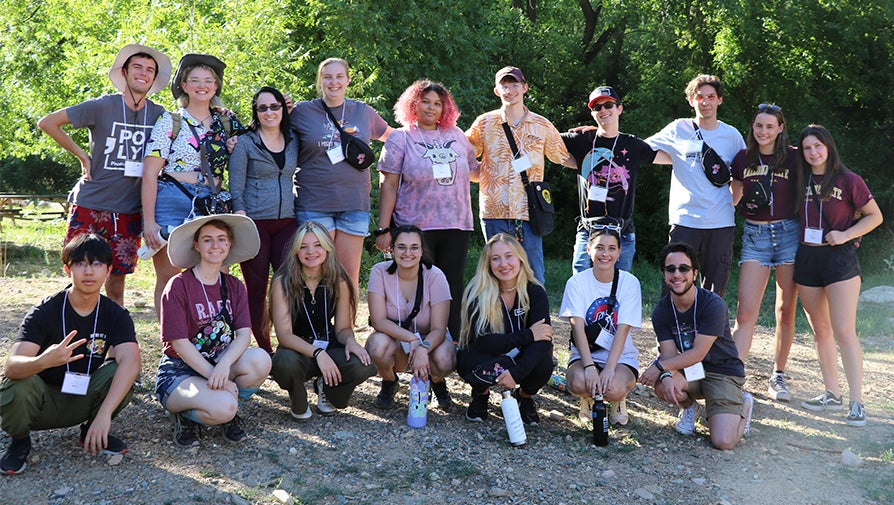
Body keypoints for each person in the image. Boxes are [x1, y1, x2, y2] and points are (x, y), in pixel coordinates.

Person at [37, 44, 171, 306]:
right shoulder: (103, 105)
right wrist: (82, 156)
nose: (143, 74)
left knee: (117, 284)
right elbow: (47, 122)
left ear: (154, 79)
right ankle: (76, 337)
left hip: (128, 210)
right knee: (81, 276)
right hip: (91, 203)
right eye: (137, 68)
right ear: (124, 72)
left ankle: (113, 344)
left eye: (150, 70)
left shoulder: (159, 115)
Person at [1, 234, 141, 475]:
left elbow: (132, 361)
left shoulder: (114, 313)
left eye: (97, 264)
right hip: (42, 400)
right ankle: (20, 441)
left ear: (108, 271)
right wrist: (43, 361)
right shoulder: (46, 311)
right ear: (68, 269)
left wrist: (105, 414)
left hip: (84, 393)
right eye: (80, 264)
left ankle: (93, 429)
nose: (89, 272)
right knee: (17, 384)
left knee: (121, 372)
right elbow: (11, 367)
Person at [142, 54, 244, 319]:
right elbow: (150, 173)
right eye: (195, 80)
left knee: (217, 271)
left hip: (213, 201)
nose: (202, 85)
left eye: (209, 80)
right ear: (184, 86)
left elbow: (258, 144)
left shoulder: (228, 122)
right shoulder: (170, 121)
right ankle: (171, 341)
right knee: (168, 273)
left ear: (216, 86)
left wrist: (236, 145)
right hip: (172, 197)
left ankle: (216, 336)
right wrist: (150, 222)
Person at [154, 214, 270, 447]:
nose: (215, 245)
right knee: (224, 408)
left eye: (221, 239)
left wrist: (224, 365)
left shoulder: (234, 286)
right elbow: (179, 343)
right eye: (207, 240)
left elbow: (244, 334)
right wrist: (212, 373)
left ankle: (222, 400)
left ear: (229, 244)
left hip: (218, 364)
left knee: (260, 359)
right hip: (180, 371)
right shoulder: (178, 285)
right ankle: (187, 415)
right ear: (196, 245)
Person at [794, 125, 882, 427]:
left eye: (817, 146)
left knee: (844, 329)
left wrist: (846, 235)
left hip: (838, 258)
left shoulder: (849, 180)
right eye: (807, 148)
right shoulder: (800, 179)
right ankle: (832, 393)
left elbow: (875, 216)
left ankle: (857, 401)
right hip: (806, 256)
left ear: (828, 147)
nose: (813, 152)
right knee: (820, 330)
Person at [375, 79, 477, 339]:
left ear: (446, 108)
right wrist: (384, 229)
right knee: (417, 286)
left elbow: (474, 172)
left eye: (438, 104)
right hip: (414, 228)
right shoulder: (401, 138)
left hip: (456, 225)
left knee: (451, 286)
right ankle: (410, 342)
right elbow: (388, 186)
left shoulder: (457, 136)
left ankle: (449, 344)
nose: (432, 108)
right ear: (413, 104)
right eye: (426, 101)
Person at [289, 57, 393, 295]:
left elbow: (393, 137)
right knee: (314, 273)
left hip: (353, 203)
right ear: (320, 81)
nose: (333, 82)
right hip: (314, 202)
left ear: (348, 80)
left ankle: (345, 328)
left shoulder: (362, 111)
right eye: (327, 77)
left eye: (338, 77)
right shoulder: (303, 111)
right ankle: (318, 327)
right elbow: (271, 130)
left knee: (347, 275)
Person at [640, 243, 752, 450]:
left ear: (694, 274)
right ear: (664, 275)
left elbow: (699, 353)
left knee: (723, 442)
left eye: (684, 268)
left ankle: (743, 405)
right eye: (670, 269)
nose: (677, 274)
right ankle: (690, 407)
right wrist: (664, 376)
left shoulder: (713, 304)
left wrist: (658, 368)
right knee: (663, 385)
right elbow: (669, 355)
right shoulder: (661, 311)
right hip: (694, 371)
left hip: (722, 371)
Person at [466, 66, 571, 284]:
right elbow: (463, 155)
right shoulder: (484, 123)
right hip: (494, 211)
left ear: (525, 88)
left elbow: (562, 156)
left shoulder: (541, 125)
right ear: (497, 90)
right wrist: (478, 175)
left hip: (528, 211)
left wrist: (593, 154)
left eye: (514, 85)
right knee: (495, 276)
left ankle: (537, 318)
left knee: (533, 274)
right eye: (504, 85)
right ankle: (499, 318)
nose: (510, 90)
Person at [646, 74, 746, 297]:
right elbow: (643, 151)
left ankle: (709, 332)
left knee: (714, 289)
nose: (705, 102)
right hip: (684, 220)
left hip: (720, 224)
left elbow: (741, 177)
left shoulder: (732, 136)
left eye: (711, 96)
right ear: (691, 100)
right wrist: (603, 135)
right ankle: (672, 330)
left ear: (719, 100)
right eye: (699, 97)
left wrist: (728, 204)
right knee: (674, 283)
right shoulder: (678, 128)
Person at [729, 104, 802, 401]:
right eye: (759, 125)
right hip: (755, 236)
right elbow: (732, 198)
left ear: (781, 128)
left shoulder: (795, 157)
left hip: (789, 235)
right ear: (753, 127)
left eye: (770, 126)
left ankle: (778, 375)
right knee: (745, 312)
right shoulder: (743, 158)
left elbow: (817, 188)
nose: (763, 132)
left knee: (785, 310)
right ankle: (734, 376)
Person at [269, 222, 375, 419]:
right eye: (303, 246)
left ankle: (327, 387)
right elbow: (284, 335)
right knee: (285, 363)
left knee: (363, 364)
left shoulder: (339, 280)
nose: (311, 251)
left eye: (318, 245)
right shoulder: (282, 281)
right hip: (297, 348)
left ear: (327, 248)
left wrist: (352, 342)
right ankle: (298, 396)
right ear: (296, 251)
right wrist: (317, 353)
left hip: (329, 343)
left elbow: (343, 329)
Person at [229, 86, 299, 353]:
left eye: (274, 106)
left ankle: (290, 341)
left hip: (287, 221)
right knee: (257, 287)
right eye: (262, 108)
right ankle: (263, 348)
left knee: (288, 283)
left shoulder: (293, 138)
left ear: (283, 108)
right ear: (255, 112)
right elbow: (236, 186)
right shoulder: (245, 142)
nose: (269, 112)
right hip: (255, 223)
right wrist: (241, 217)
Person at [457, 233, 554, 424]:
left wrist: (516, 373)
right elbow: (481, 341)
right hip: (489, 354)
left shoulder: (535, 291)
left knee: (544, 362)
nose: (503, 264)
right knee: (465, 359)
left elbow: (543, 339)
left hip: (520, 357)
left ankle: (524, 397)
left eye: (509, 256)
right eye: (496, 258)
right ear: (488, 264)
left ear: (520, 258)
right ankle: (480, 393)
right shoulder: (478, 291)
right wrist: (529, 334)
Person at [561, 86, 657, 273]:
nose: (603, 110)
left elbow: (671, 157)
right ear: (592, 113)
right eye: (598, 108)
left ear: (619, 109)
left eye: (608, 105)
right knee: (580, 283)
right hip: (588, 230)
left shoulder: (633, 145)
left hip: (622, 233)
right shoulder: (581, 139)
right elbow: (545, 141)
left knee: (618, 287)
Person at [559, 218, 642, 427]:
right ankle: (587, 397)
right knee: (578, 383)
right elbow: (576, 326)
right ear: (588, 250)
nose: (605, 254)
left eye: (612, 248)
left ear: (620, 251)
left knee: (613, 388)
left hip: (619, 356)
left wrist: (609, 369)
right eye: (600, 248)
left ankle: (617, 401)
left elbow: (623, 329)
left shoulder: (630, 283)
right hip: (586, 353)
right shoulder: (576, 282)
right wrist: (589, 366)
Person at [367, 225, 456, 412]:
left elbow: (439, 329)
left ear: (422, 250)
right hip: (397, 342)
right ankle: (390, 381)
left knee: (446, 358)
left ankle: (436, 380)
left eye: (414, 247)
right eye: (401, 247)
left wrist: (423, 347)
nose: (408, 253)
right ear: (392, 249)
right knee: (376, 346)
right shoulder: (379, 272)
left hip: (430, 342)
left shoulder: (435, 276)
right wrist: (411, 339)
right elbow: (378, 321)